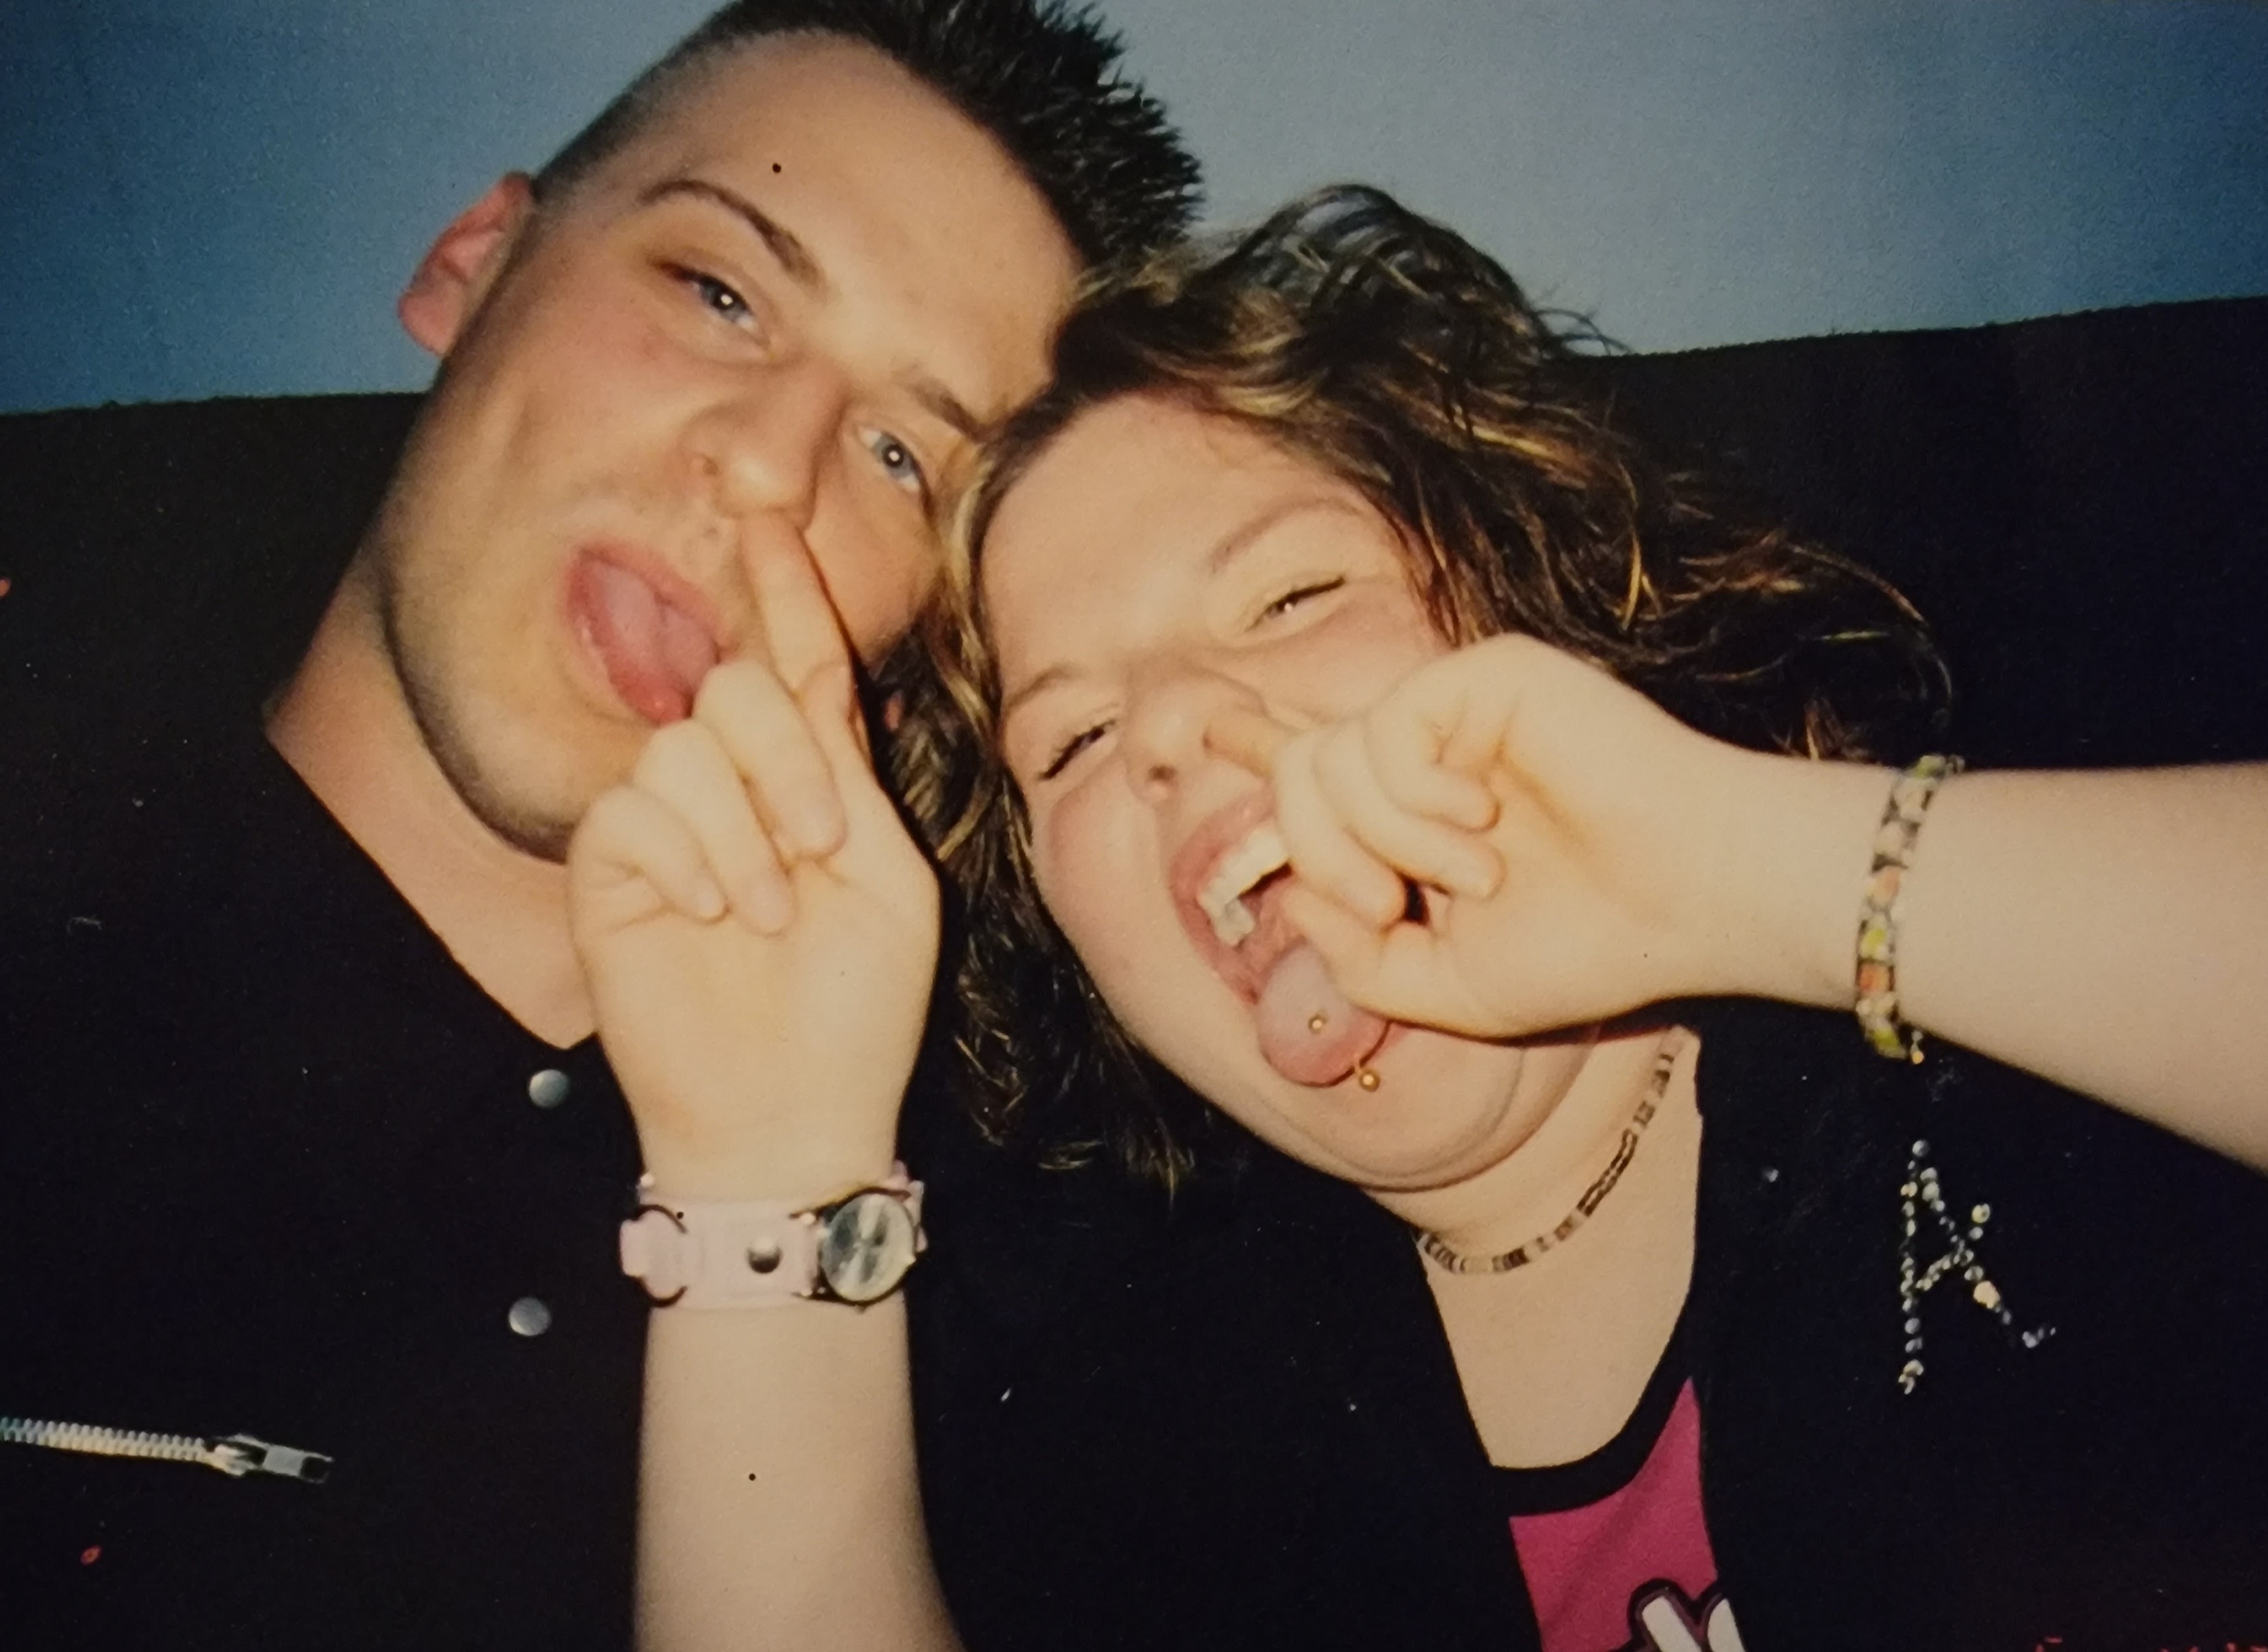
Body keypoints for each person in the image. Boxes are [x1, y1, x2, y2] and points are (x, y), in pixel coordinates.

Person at [906, 187, 2268, 1650]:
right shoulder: (1146, 1461)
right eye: (1071, 742)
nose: (1171, 727)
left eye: (1292, 597)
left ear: (1525, 604)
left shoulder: (2009, 1055)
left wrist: (1739, 873)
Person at [0, 4, 1196, 1648]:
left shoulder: (1022, 1261)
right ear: (475, 262)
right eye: (720, 293)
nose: (768, 472)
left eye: (901, 455)